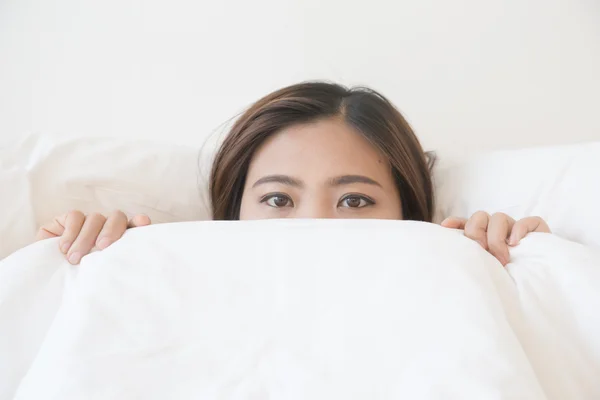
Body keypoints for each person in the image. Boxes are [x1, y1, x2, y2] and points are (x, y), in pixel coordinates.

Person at [35, 82, 550, 266]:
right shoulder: (161, 271)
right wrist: (81, 258)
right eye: (279, 200)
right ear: (233, 213)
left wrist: (518, 267)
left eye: (353, 200)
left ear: (409, 213)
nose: (315, 225)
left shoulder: (455, 267)